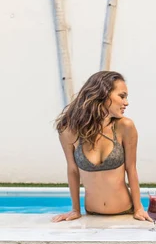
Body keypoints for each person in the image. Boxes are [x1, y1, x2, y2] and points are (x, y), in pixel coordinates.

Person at [52, 71, 150, 222]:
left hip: (124, 213)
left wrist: (138, 209)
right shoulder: (69, 131)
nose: (126, 102)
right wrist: (75, 210)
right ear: (103, 94)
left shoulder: (125, 127)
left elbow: (131, 169)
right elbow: (72, 170)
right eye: (122, 96)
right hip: (92, 214)